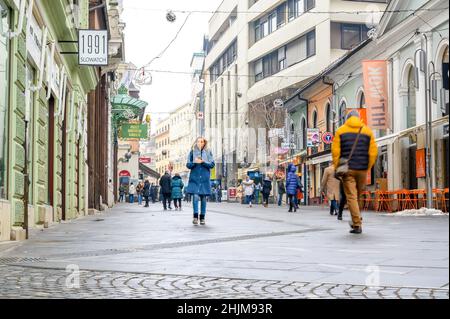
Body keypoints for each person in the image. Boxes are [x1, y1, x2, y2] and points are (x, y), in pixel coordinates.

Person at [332, 110, 378, 234]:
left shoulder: (341, 131)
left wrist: (338, 167)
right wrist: (367, 166)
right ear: (359, 118)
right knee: (359, 195)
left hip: (348, 169)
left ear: (347, 118)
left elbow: (336, 153)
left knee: (351, 196)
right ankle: (357, 219)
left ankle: (357, 224)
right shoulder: (367, 131)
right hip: (362, 169)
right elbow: (373, 152)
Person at [186, 137, 215, 225]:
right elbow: (188, 164)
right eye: (198, 141)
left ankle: (202, 217)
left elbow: (212, 164)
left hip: (204, 178)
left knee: (203, 198)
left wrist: (203, 162)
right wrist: (194, 163)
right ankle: (195, 217)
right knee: (195, 196)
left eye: (202, 142)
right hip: (195, 178)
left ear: (204, 143)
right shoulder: (192, 152)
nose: (200, 143)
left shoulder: (208, 152)